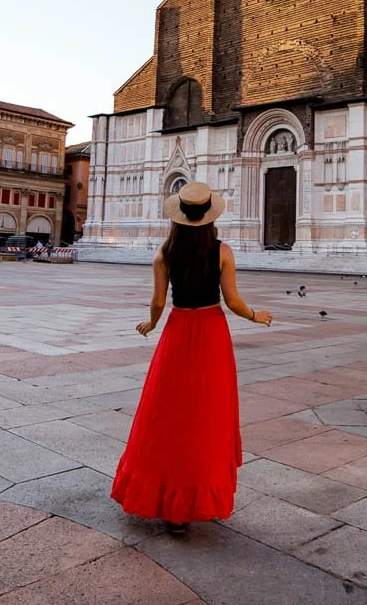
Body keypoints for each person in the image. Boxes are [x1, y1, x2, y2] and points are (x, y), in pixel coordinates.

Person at [111, 181, 273, 534]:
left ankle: (169, 503)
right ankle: (198, 497)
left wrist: (151, 324)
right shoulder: (223, 251)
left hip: (177, 330)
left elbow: (157, 302)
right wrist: (253, 315)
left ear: (179, 217)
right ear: (209, 218)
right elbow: (232, 300)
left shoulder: (164, 253)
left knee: (166, 412)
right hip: (212, 332)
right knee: (207, 413)